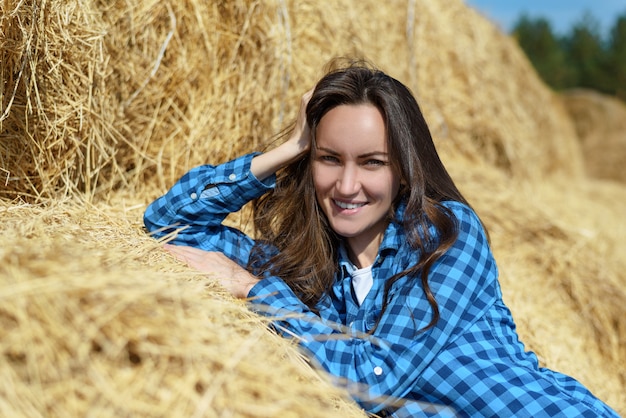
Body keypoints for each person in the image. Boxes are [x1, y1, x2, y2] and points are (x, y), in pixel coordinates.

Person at [144, 60, 619, 417]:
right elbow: (168, 223)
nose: (347, 186)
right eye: (329, 158)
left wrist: (251, 288)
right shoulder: (308, 270)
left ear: (403, 168)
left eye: (372, 162)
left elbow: (374, 375)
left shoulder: (445, 235)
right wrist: (288, 147)